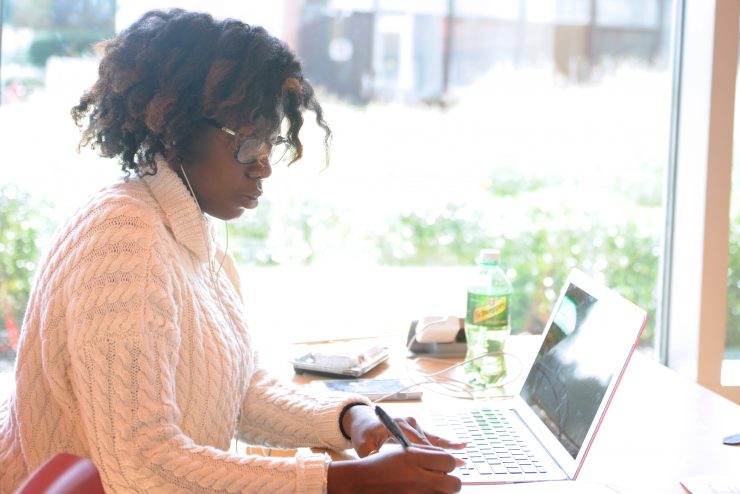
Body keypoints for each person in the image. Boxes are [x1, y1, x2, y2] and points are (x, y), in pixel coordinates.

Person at [0, 8, 466, 494]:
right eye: (247, 145)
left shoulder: (184, 230)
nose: (263, 167)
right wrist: (345, 481)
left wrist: (354, 419)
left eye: (270, 143)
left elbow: (238, 394)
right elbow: (143, 467)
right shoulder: (123, 243)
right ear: (175, 129)